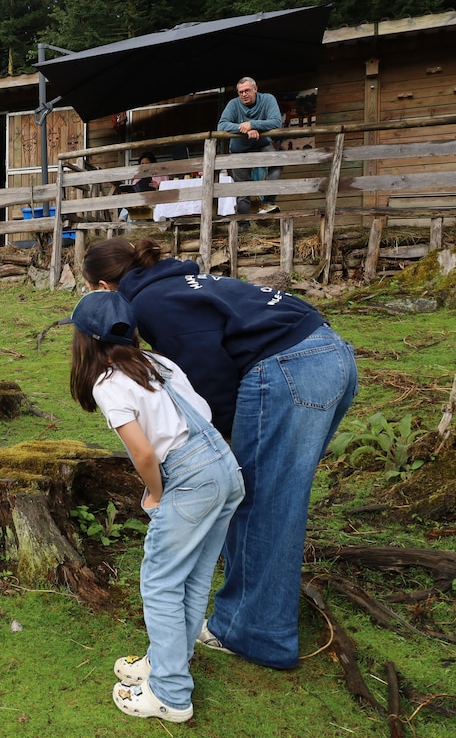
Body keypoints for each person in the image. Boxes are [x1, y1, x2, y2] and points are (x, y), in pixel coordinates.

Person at [81, 237, 359, 670]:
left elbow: (208, 375)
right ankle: (256, 617)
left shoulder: (149, 302)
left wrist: (215, 445)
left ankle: (254, 633)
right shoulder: (176, 282)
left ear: (103, 287)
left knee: (260, 504)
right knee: (275, 501)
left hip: (289, 368)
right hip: (331, 355)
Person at [65, 291, 243, 723]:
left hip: (190, 477)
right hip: (225, 466)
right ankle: (168, 662)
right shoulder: (159, 362)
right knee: (194, 576)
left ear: (84, 341)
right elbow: (200, 412)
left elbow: (144, 453)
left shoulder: (108, 384)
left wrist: (156, 494)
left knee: (160, 582)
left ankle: (170, 694)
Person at [217, 77, 284, 215]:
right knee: (242, 187)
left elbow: (276, 122)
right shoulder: (233, 104)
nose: (244, 94)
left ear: (255, 89)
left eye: (247, 90)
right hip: (239, 149)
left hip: (262, 144)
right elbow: (221, 125)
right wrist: (243, 128)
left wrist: (253, 124)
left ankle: (268, 203)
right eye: (240, 92)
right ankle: (244, 224)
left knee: (277, 162)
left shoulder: (267, 99)